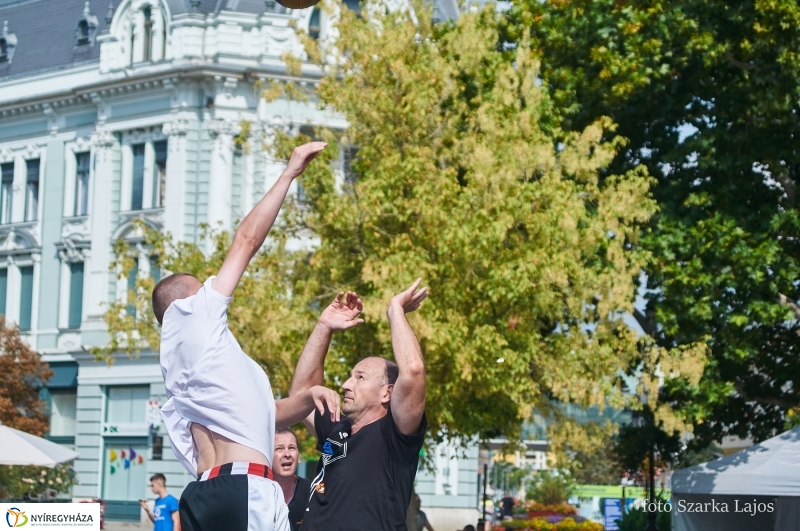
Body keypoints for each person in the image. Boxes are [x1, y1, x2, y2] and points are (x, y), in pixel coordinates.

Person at [153, 142, 341, 531]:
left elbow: (261, 415)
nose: (210, 288)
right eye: (201, 287)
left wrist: (307, 398)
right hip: (246, 486)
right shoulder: (195, 315)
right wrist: (289, 173)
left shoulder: (183, 367)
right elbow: (246, 241)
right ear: (188, 299)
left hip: (204, 492)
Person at [290, 279, 430, 531]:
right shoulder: (336, 428)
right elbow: (302, 395)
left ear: (387, 393)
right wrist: (324, 327)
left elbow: (414, 370)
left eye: (360, 377)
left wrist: (395, 310)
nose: (345, 384)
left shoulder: (395, 436)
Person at [273, 429, 312, 531]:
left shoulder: (312, 493)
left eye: (291, 448)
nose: (287, 454)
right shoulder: (257, 493)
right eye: (279, 449)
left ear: (298, 457)